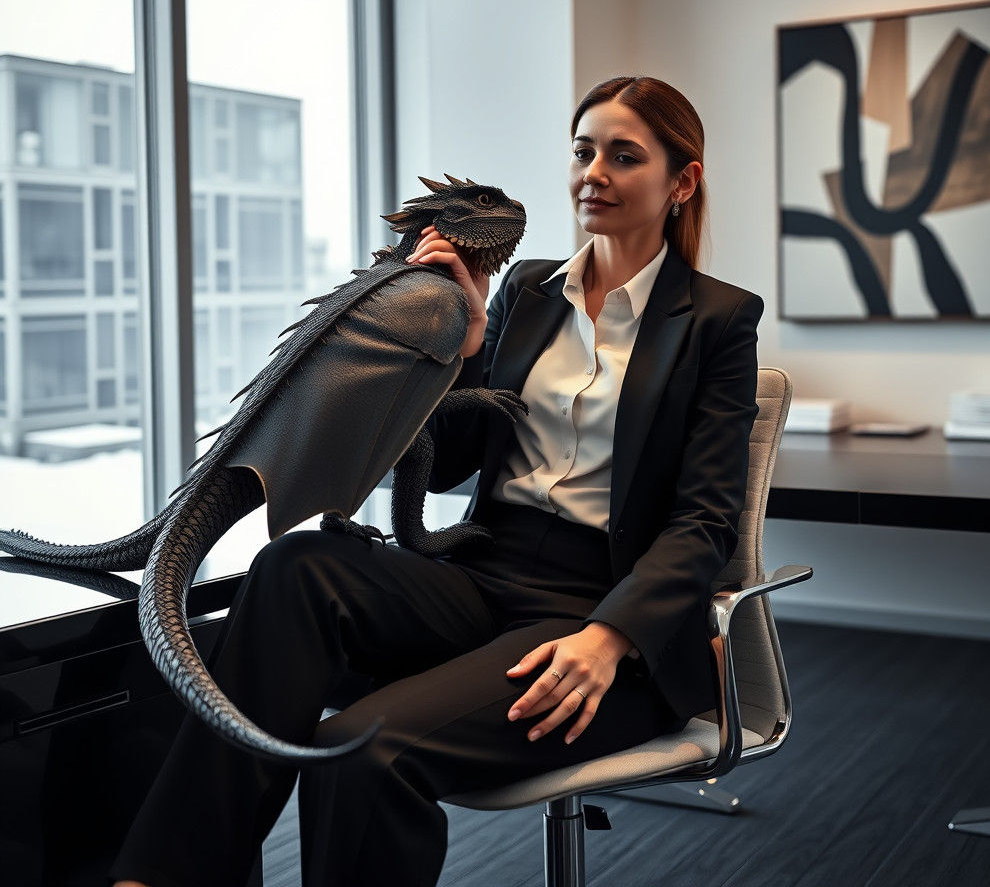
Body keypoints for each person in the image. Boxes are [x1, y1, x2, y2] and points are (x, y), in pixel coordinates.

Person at [111, 75, 763, 887]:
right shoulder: (527, 292)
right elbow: (450, 464)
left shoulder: (718, 320)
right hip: (484, 575)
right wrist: (456, 350)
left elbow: (703, 523)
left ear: (682, 180)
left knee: (363, 751)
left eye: (623, 156)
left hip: (598, 612)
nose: (593, 172)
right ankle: (167, 875)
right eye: (583, 151)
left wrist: (611, 636)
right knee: (294, 568)